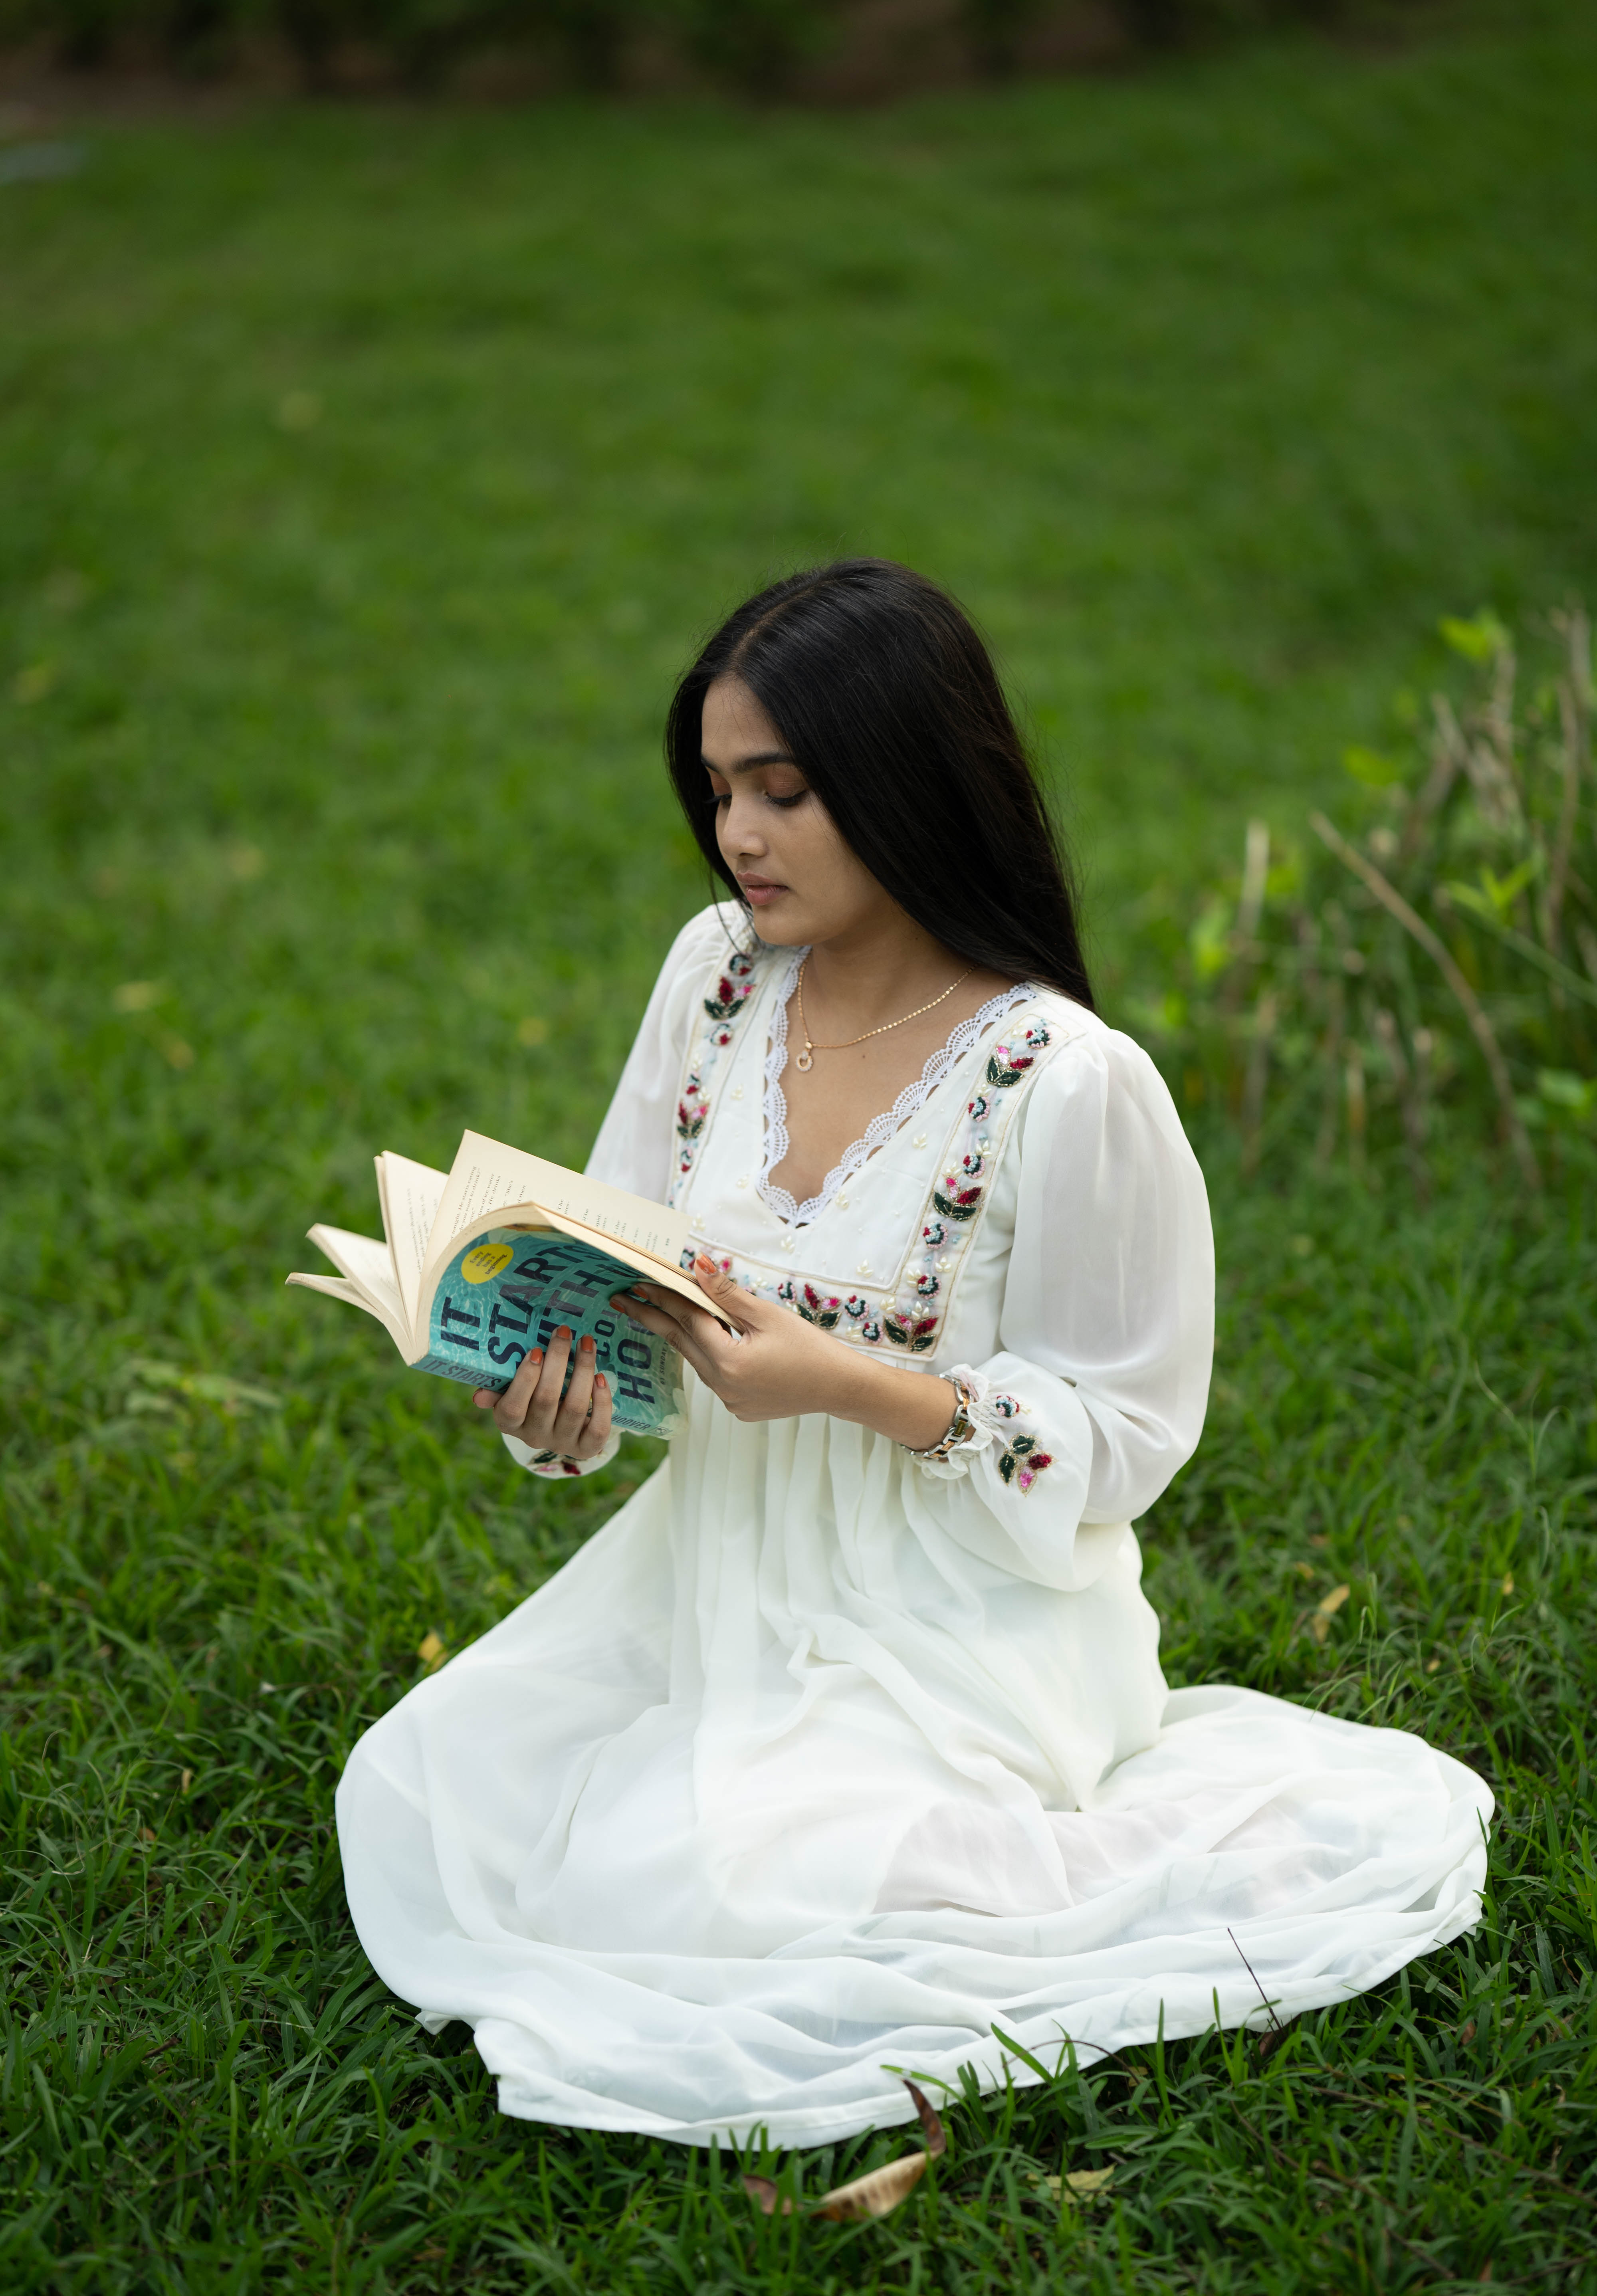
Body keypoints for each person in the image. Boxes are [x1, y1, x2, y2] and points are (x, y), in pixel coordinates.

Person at [335, 559, 1492, 2149]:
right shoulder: (714, 979)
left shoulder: (1063, 1080)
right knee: (424, 1784)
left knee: (726, 1877)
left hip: (958, 1614)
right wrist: (551, 1401)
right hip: (708, 1575)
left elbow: (1122, 1431)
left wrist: (842, 1382)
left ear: (904, 781)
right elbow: (624, 1276)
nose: (738, 834)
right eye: (721, 788)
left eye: (786, 791)